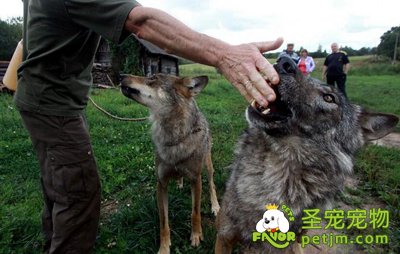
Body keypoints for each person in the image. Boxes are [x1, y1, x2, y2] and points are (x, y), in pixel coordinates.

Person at [14, 0, 283, 253]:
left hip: (42, 100)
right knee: (78, 196)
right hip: (54, 107)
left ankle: (51, 241)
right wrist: (225, 54)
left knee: (58, 186)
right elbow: (143, 22)